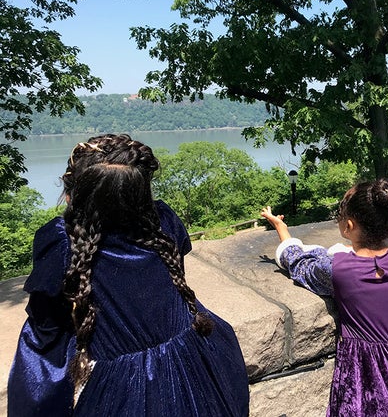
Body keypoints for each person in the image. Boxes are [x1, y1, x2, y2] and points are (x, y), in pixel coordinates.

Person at [8, 134, 249, 416]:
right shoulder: (165, 224)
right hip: (196, 361)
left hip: (121, 391)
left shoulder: (64, 245)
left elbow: (44, 336)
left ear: (74, 195)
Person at [261, 178, 388, 416]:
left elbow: (299, 263)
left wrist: (282, 230)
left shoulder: (337, 269)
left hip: (363, 365)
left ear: (349, 225)